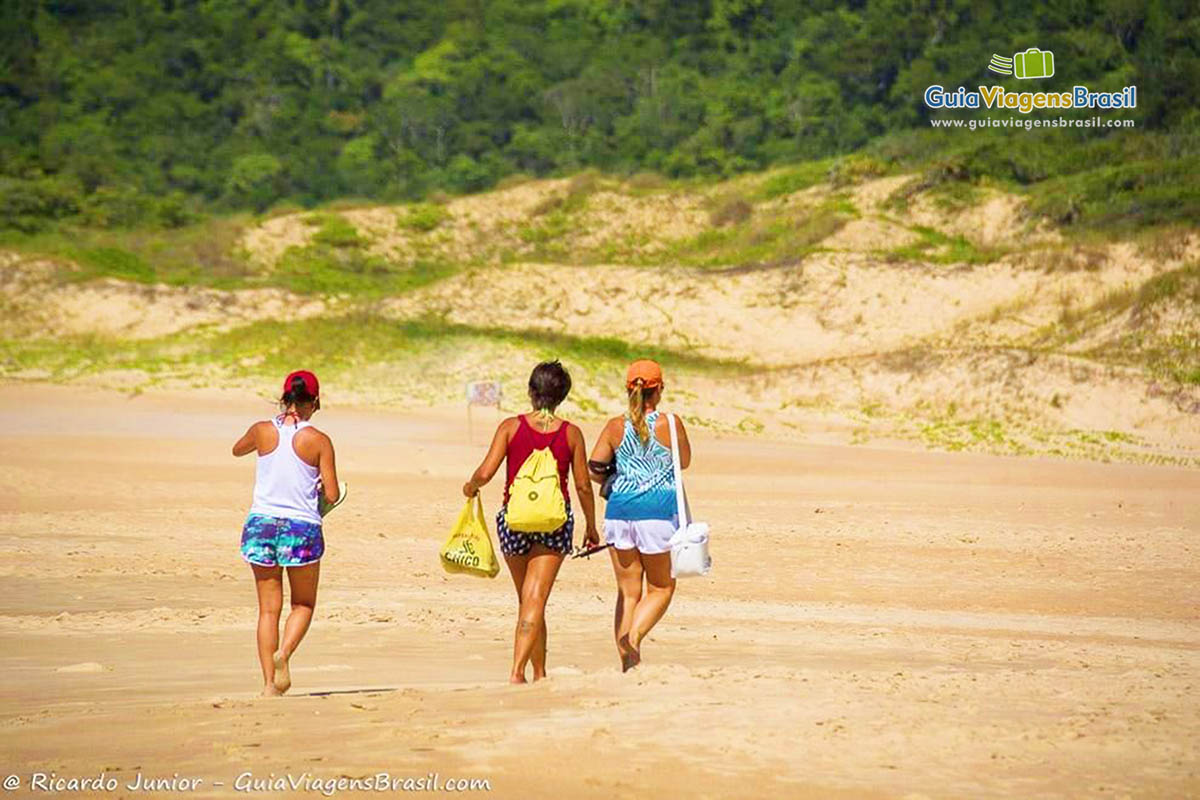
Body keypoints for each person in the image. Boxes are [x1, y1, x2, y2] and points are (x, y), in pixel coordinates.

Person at [462, 361, 599, 684]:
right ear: (562, 395)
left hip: (514, 522)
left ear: (530, 391)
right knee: (535, 598)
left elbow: (485, 472)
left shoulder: (510, 427)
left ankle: (539, 672)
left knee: (528, 599)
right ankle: (517, 672)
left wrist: (470, 488)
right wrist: (591, 525)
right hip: (554, 523)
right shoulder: (572, 434)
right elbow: (582, 485)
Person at [232, 370, 339, 696]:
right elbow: (333, 495)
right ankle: (284, 653)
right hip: (301, 526)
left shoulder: (262, 430)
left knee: (268, 610)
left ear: (284, 398)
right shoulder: (319, 440)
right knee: (303, 604)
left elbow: (238, 450)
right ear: (315, 402)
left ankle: (268, 686)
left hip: (261, 523)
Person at [589, 359, 691, 672]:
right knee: (661, 588)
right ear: (658, 388)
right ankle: (632, 637)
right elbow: (684, 461)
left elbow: (594, 468)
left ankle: (628, 664)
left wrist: (620, 474)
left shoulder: (614, 425)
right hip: (656, 512)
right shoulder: (670, 424)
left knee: (628, 592)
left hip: (619, 511)